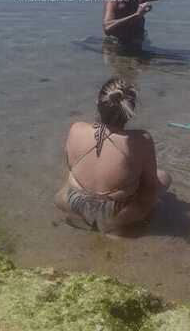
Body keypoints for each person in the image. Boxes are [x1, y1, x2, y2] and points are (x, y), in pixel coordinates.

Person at [55, 78, 171, 233]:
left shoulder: (76, 128)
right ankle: (115, 230)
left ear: (98, 103)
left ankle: (81, 220)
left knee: (73, 174)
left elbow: (70, 165)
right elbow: (150, 186)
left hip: (70, 202)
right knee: (164, 177)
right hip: (116, 213)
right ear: (130, 112)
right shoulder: (142, 139)